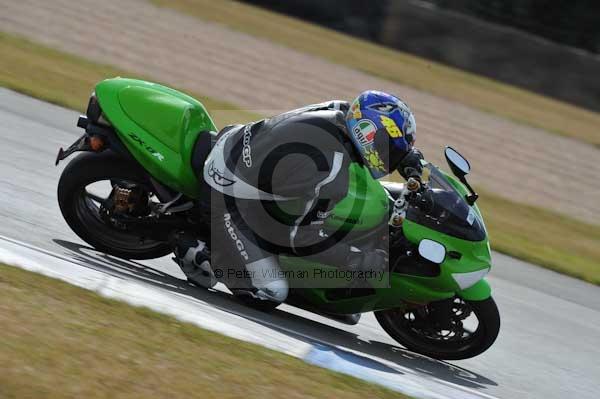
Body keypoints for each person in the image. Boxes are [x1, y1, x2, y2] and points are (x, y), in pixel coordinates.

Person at [174, 90, 424, 307]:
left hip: (236, 143)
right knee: (270, 291)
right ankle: (198, 253)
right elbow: (299, 239)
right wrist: (355, 258)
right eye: (387, 147)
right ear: (368, 134)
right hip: (226, 194)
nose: (388, 155)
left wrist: (406, 158)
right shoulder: (331, 171)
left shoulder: (342, 110)